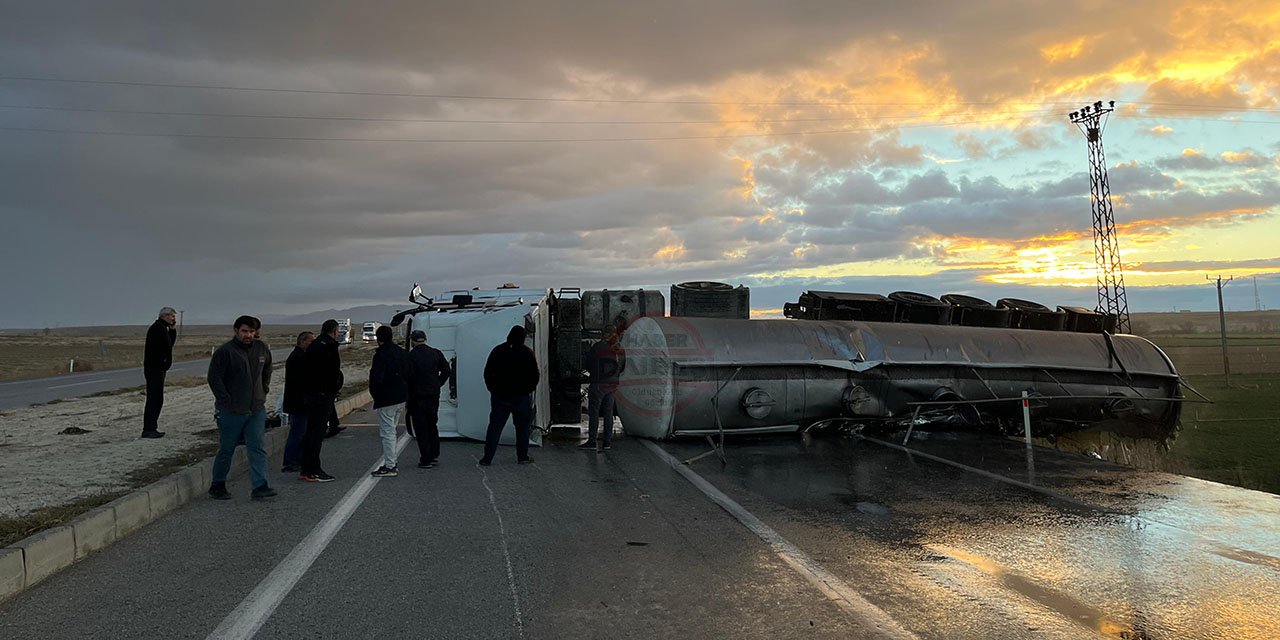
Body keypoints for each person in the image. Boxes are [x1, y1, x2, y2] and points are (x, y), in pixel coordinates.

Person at [206, 315, 276, 501]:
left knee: (257, 447)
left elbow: (267, 369)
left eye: (252, 331)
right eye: (245, 331)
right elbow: (214, 378)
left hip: (256, 409)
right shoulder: (225, 352)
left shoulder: (261, 349)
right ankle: (218, 484)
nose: (248, 335)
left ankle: (260, 486)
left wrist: (264, 389)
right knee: (227, 448)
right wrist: (225, 400)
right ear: (236, 330)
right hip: (231, 411)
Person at [479, 325, 539, 466]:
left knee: (495, 427)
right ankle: (522, 456)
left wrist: (493, 389)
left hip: (500, 397)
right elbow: (534, 376)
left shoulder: (498, 351)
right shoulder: (527, 353)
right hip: (521, 397)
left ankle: (487, 458)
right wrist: (527, 390)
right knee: (522, 428)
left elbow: (488, 372)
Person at [300, 319, 343, 482]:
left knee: (311, 432)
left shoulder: (315, 345)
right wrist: (332, 389)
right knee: (316, 434)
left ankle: (306, 468)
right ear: (334, 331)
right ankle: (313, 470)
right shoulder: (328, 346)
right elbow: (331, 372)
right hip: (322, 395)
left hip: (313, 394)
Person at [406, 329, 451, 468]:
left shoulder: (410, 356)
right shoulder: (435, 353)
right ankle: (434, 454)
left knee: (421, 429)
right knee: (432, 425)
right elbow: (446, 371)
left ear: (412, 341)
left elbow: (406, 378)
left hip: (417, 397)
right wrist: (438, 383)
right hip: (433, 396)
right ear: (424, 339)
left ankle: (425, 458)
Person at [369, 325, 408, 477]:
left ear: (378, 338)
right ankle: (392, 461)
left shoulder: (381, 355)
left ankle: (390, 465)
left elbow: (376, 378)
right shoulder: (402, 353)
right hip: (400, 397)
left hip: (386, 398)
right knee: (392, 430)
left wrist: (376, 395)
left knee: (388, 432)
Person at [581, 326, 625, 452]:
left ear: (603, 334)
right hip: (612, 384)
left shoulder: (598, 347)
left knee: (594, 413)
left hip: (599, 383)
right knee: (608, 413)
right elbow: (622, 366)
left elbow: (588, 364)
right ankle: (607, 442)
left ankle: (592, 441)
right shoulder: (618, 349)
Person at [141, 306, 178, 438]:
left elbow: (169, 345)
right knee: (154, 398)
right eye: (172, 316)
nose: (174, 319)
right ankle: (149, 428)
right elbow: (165, 347)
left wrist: (173, 331)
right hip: (154, 368)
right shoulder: (157, 329)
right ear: (165, 316)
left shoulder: (163, 328)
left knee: (157, 398)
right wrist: (163, 361)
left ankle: (151, 427)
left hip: (159, 368)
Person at [281, 331, 314, 473]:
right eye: (310, 341)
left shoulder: (301, 356)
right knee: (297, 432)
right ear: (302, 341)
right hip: (298, 401)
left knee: (301, 431)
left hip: (300, 400)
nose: (312, 344)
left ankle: (297, 458)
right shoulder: (298, 357)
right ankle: (290, 461)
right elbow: (302, 381)